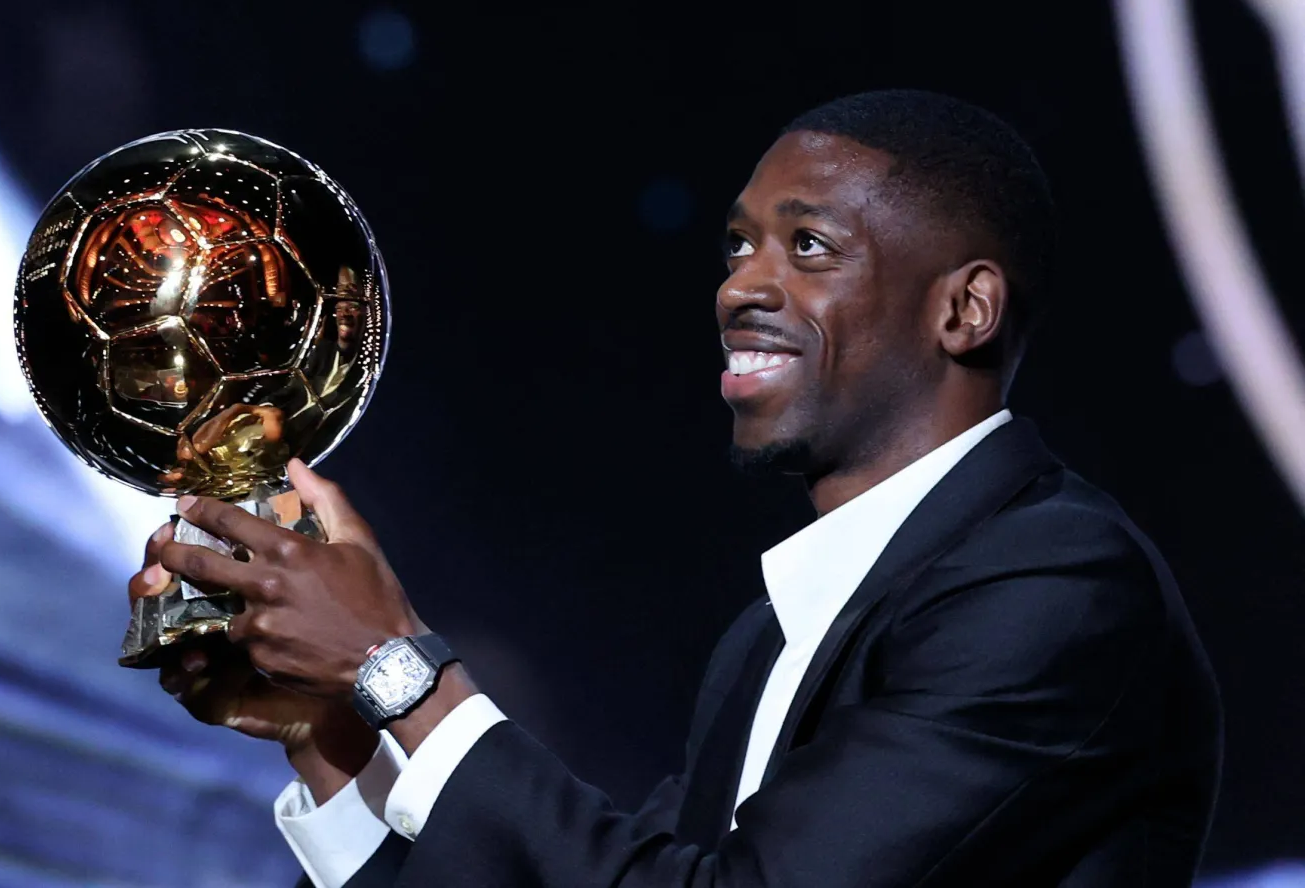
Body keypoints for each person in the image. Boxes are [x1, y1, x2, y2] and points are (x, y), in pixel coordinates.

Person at [130, 90, 1223, 887]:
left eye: (808, 245)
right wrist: (333, 739)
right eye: (740, 245)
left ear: (964, 311)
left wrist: (396, 665)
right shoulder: (768, 640)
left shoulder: (1056, 585)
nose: (743, 284)